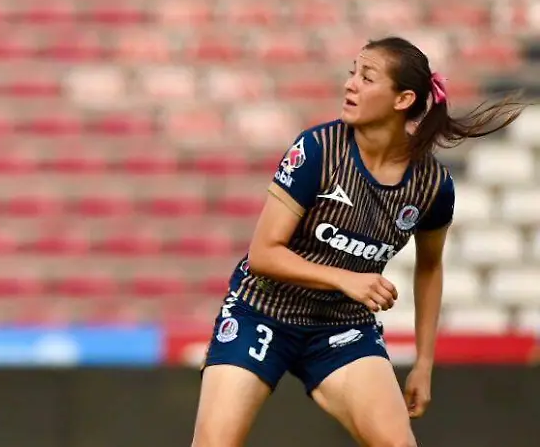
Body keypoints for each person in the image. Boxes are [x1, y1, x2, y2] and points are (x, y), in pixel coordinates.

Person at [191, 36, 527, 447]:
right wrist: (344, 278)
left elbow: (429, 267)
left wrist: (423, 362)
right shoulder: (317, 150)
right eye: (353, 72)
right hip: (261, 311)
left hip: (341, 325)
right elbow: (263, 255)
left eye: (366, 77)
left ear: (403, 99)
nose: (350, 84)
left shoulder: (432, 186)